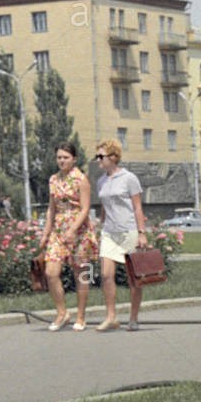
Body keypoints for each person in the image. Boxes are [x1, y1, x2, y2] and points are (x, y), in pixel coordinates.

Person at [39, 143, 97, 331]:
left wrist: (72, 229)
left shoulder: (81, 179)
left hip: (79, 231)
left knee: (81, 275)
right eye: (59, 157)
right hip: (58, 231)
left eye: (65, 157)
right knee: (51, 272)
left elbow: (85, 208)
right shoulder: (53, 180)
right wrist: (46, 232)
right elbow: (52, 207)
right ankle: (62, 312)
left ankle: (81, 316)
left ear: (74, 159)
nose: (62, 161)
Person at [94, 138, 149, 332]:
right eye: (97, 156)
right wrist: (98, 226)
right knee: (106, 275)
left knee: (133, 278)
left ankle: (133, 318)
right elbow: (104, 207)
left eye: (101, 156)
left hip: (128, 231)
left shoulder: (129, 178)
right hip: (109, 232)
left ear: (113, 157)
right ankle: (111, 317)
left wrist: (141, 233)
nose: (98, 160)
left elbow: (137, 206)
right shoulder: (101, 181)